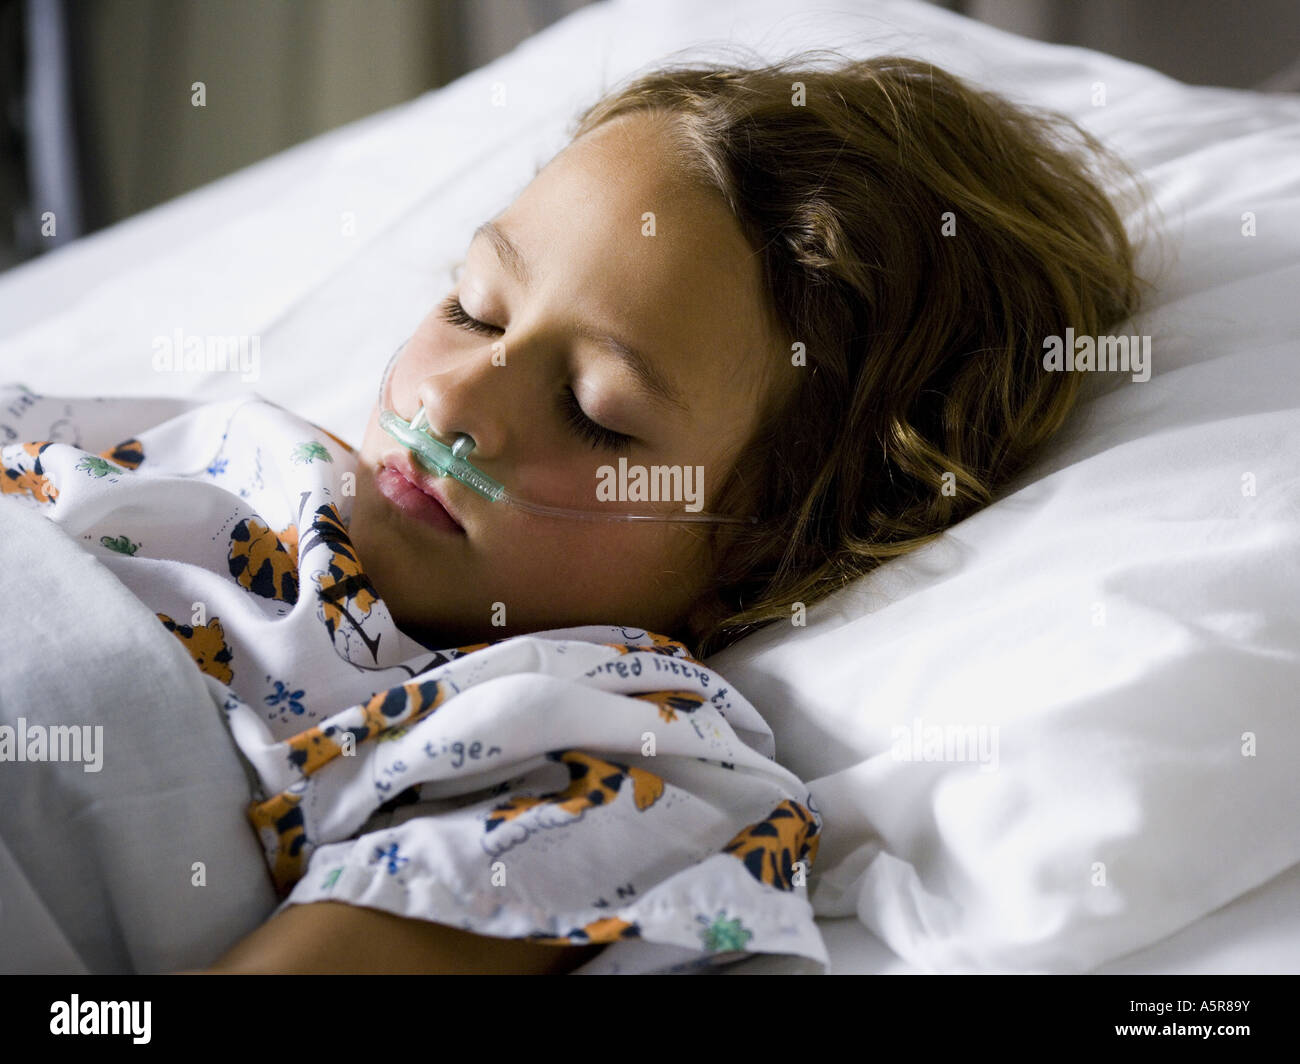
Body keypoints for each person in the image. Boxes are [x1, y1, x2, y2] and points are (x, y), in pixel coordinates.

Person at [0, 50, 1147, 974]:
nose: (450, 399)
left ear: (763, 551)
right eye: (473, 306)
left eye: (598, 414)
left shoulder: (603, 737)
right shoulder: (213, 447)